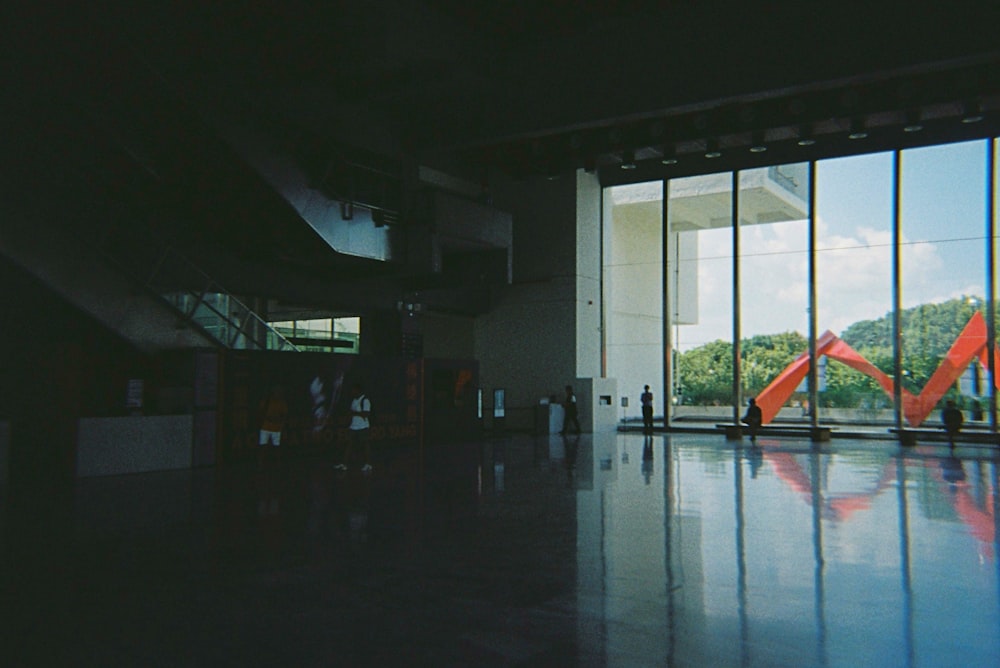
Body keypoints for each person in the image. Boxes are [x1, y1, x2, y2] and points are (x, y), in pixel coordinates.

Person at [337, 382, 372, 472]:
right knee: (348, 444)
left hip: (363, 427)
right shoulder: (354, 400)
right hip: (353, 426)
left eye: (353, 390)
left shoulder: (365, 400)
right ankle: (344, 464)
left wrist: (354, 413)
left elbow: (366, 414)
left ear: (358, 390)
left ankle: (368, 464)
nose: (352, 392)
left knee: (365, 445)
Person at [258, 385, 288, 468]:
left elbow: (284, 415)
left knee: (276, 448)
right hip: (266, 426)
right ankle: (261, 463)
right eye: (276, 392)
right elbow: (261, 412)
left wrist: (281, 424)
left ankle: (277, 464)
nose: (277, 394)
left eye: (279, 392)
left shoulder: (282, 403)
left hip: (276, 427)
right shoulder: (267, 401)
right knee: (263, 446)